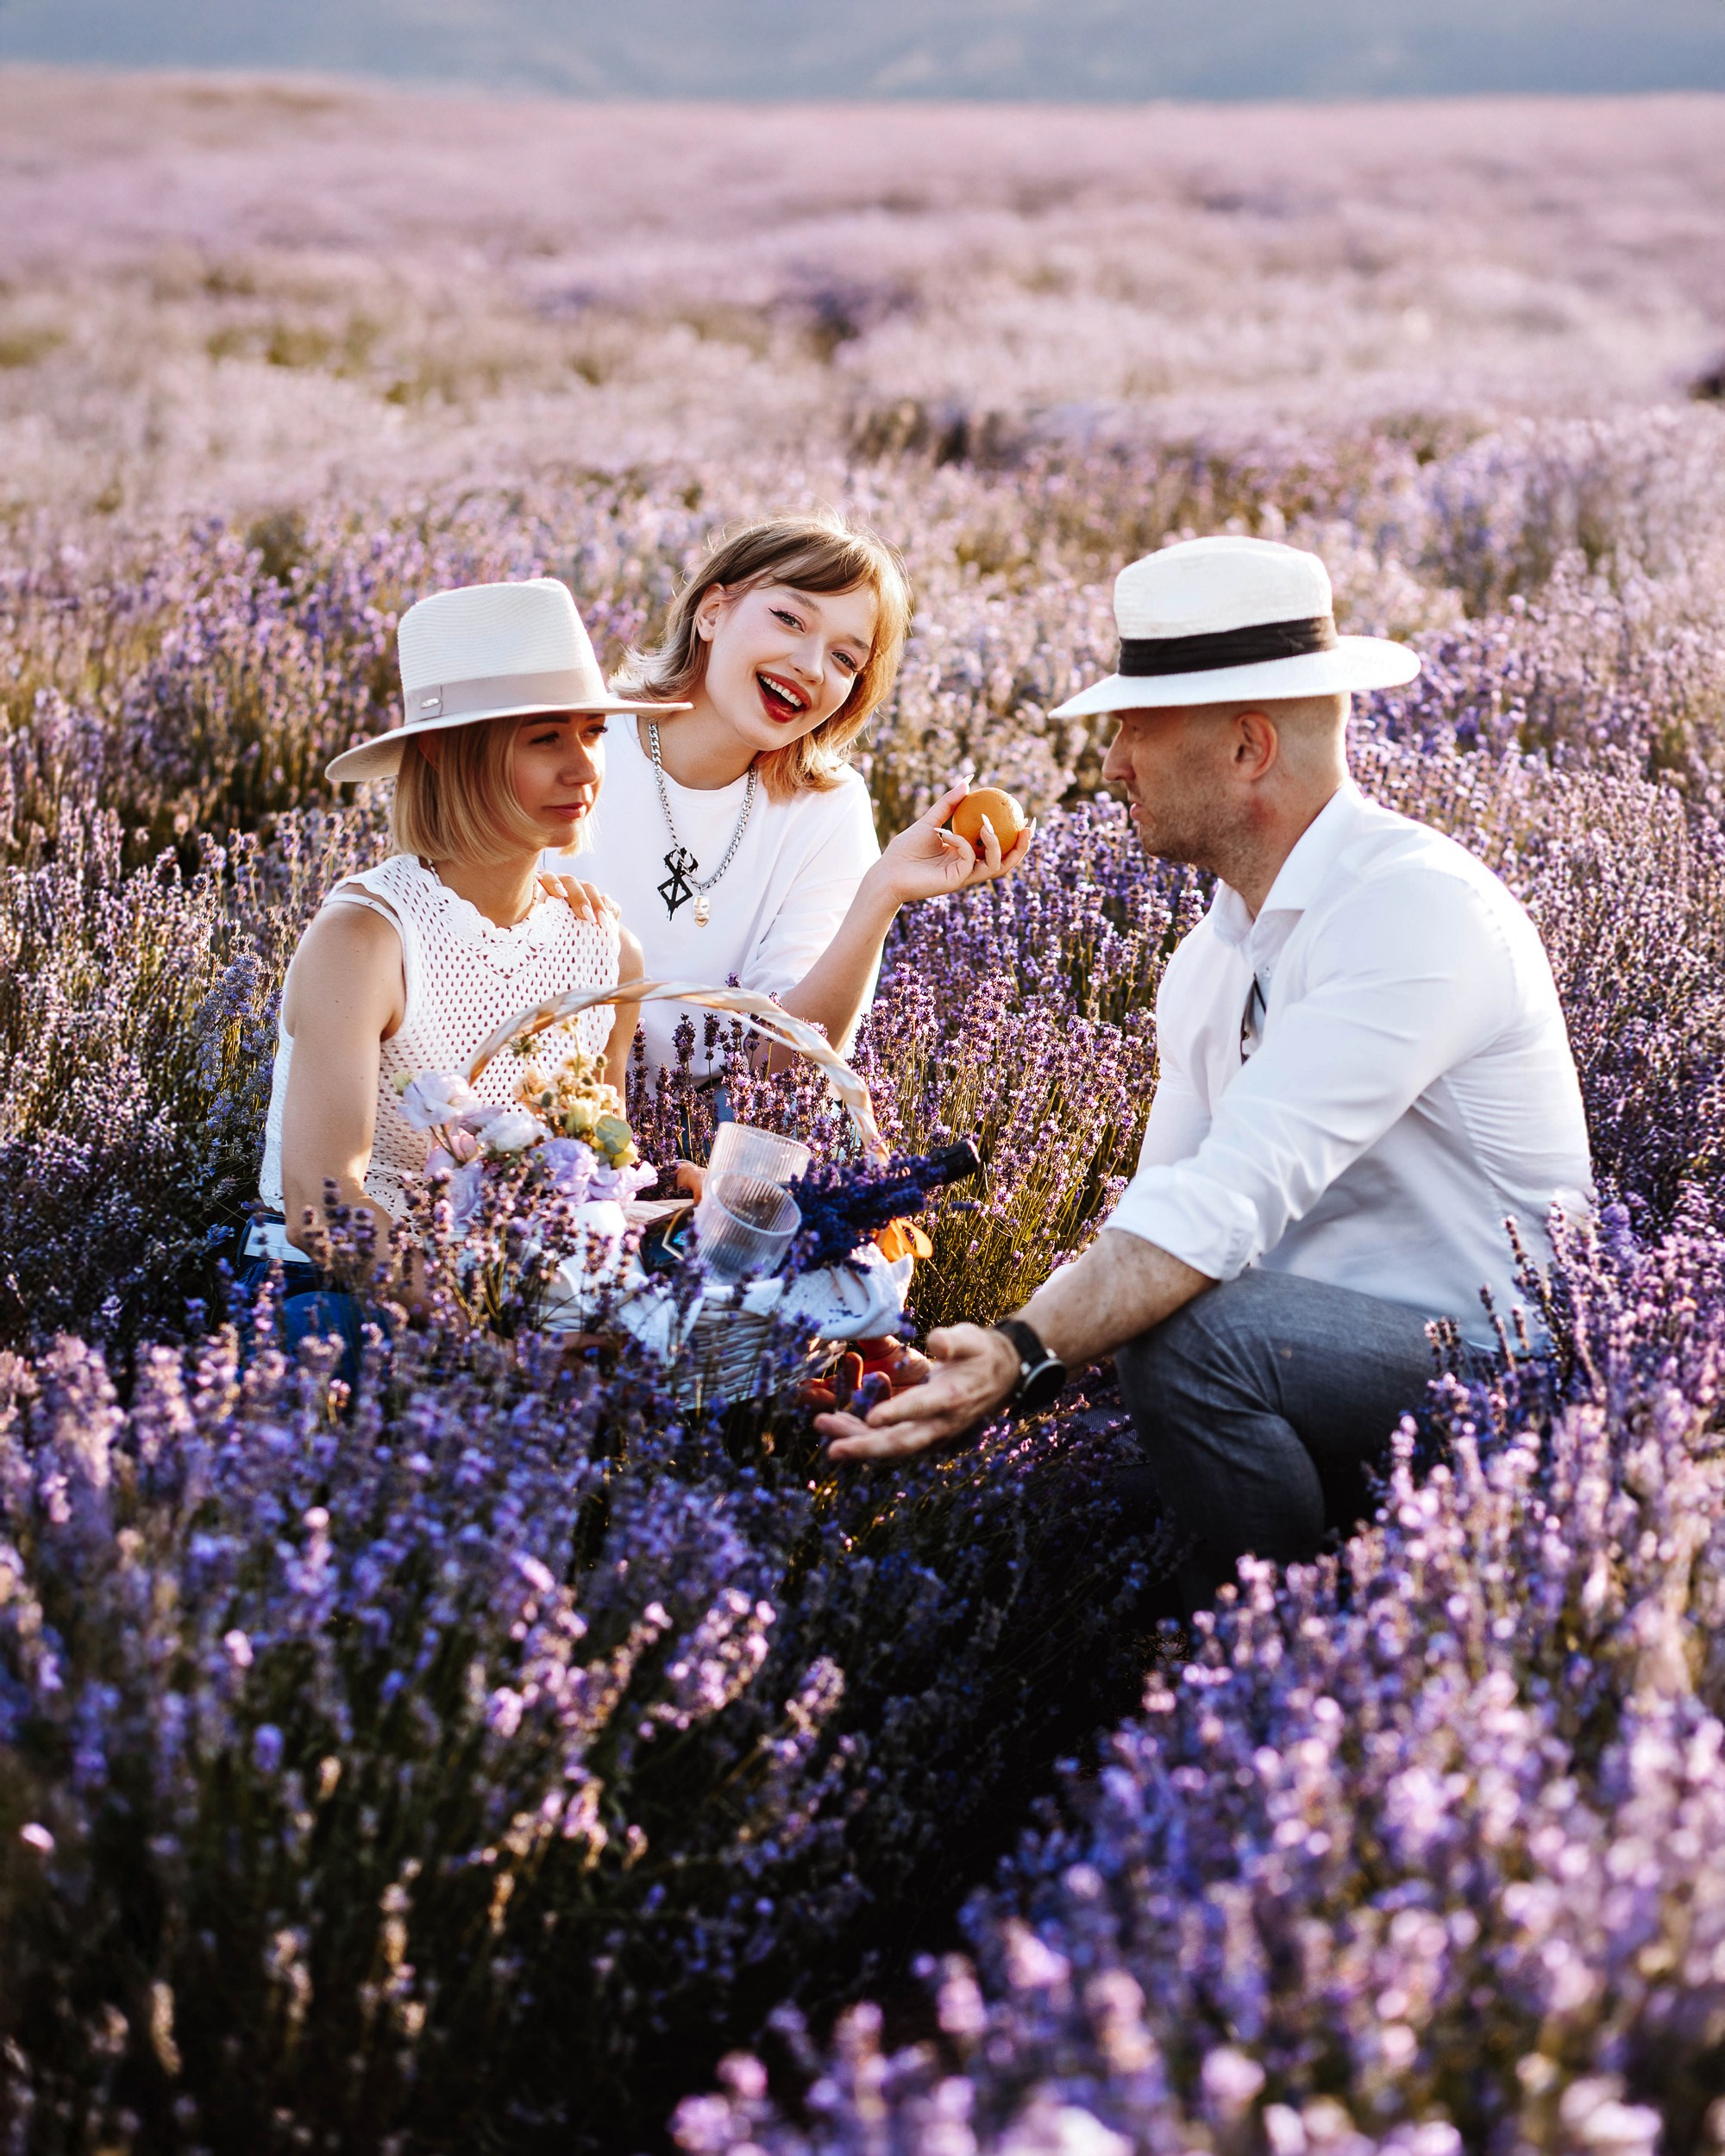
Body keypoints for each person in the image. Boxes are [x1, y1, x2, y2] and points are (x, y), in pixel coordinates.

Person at [819, 535, 1595, 1602]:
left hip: (1500, 1370)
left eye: (1135, 728)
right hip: (1306, 1363)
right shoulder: (1212, 954)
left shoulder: (1413, 910)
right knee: (1080, 1491)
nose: (1112, 766)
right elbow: (1162, 1208)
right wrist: (995, 1370)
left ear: (1246, 747)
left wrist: (1021, 1353)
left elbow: (1231, 1199)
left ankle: (1290, 1657)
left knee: (1189, 1344)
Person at [242, 576, 669, 1346]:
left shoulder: (607, 950)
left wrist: (671, 1205)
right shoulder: (365, 940)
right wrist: (491, 1323)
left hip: (526, 1285)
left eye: (593, 731)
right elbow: (319, 1206)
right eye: (545, 737)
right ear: (440, 750)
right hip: (343, 1285)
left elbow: (599, 1166)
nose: (583, 768)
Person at [545, 513, 1032, 1087]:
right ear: (712, 612)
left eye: (846, 659)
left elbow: (782, 1072)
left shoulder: (828, 807)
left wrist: (883, 893)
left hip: (716, 1153)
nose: (809, 666)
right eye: (790, 619)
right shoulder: (578, 746)